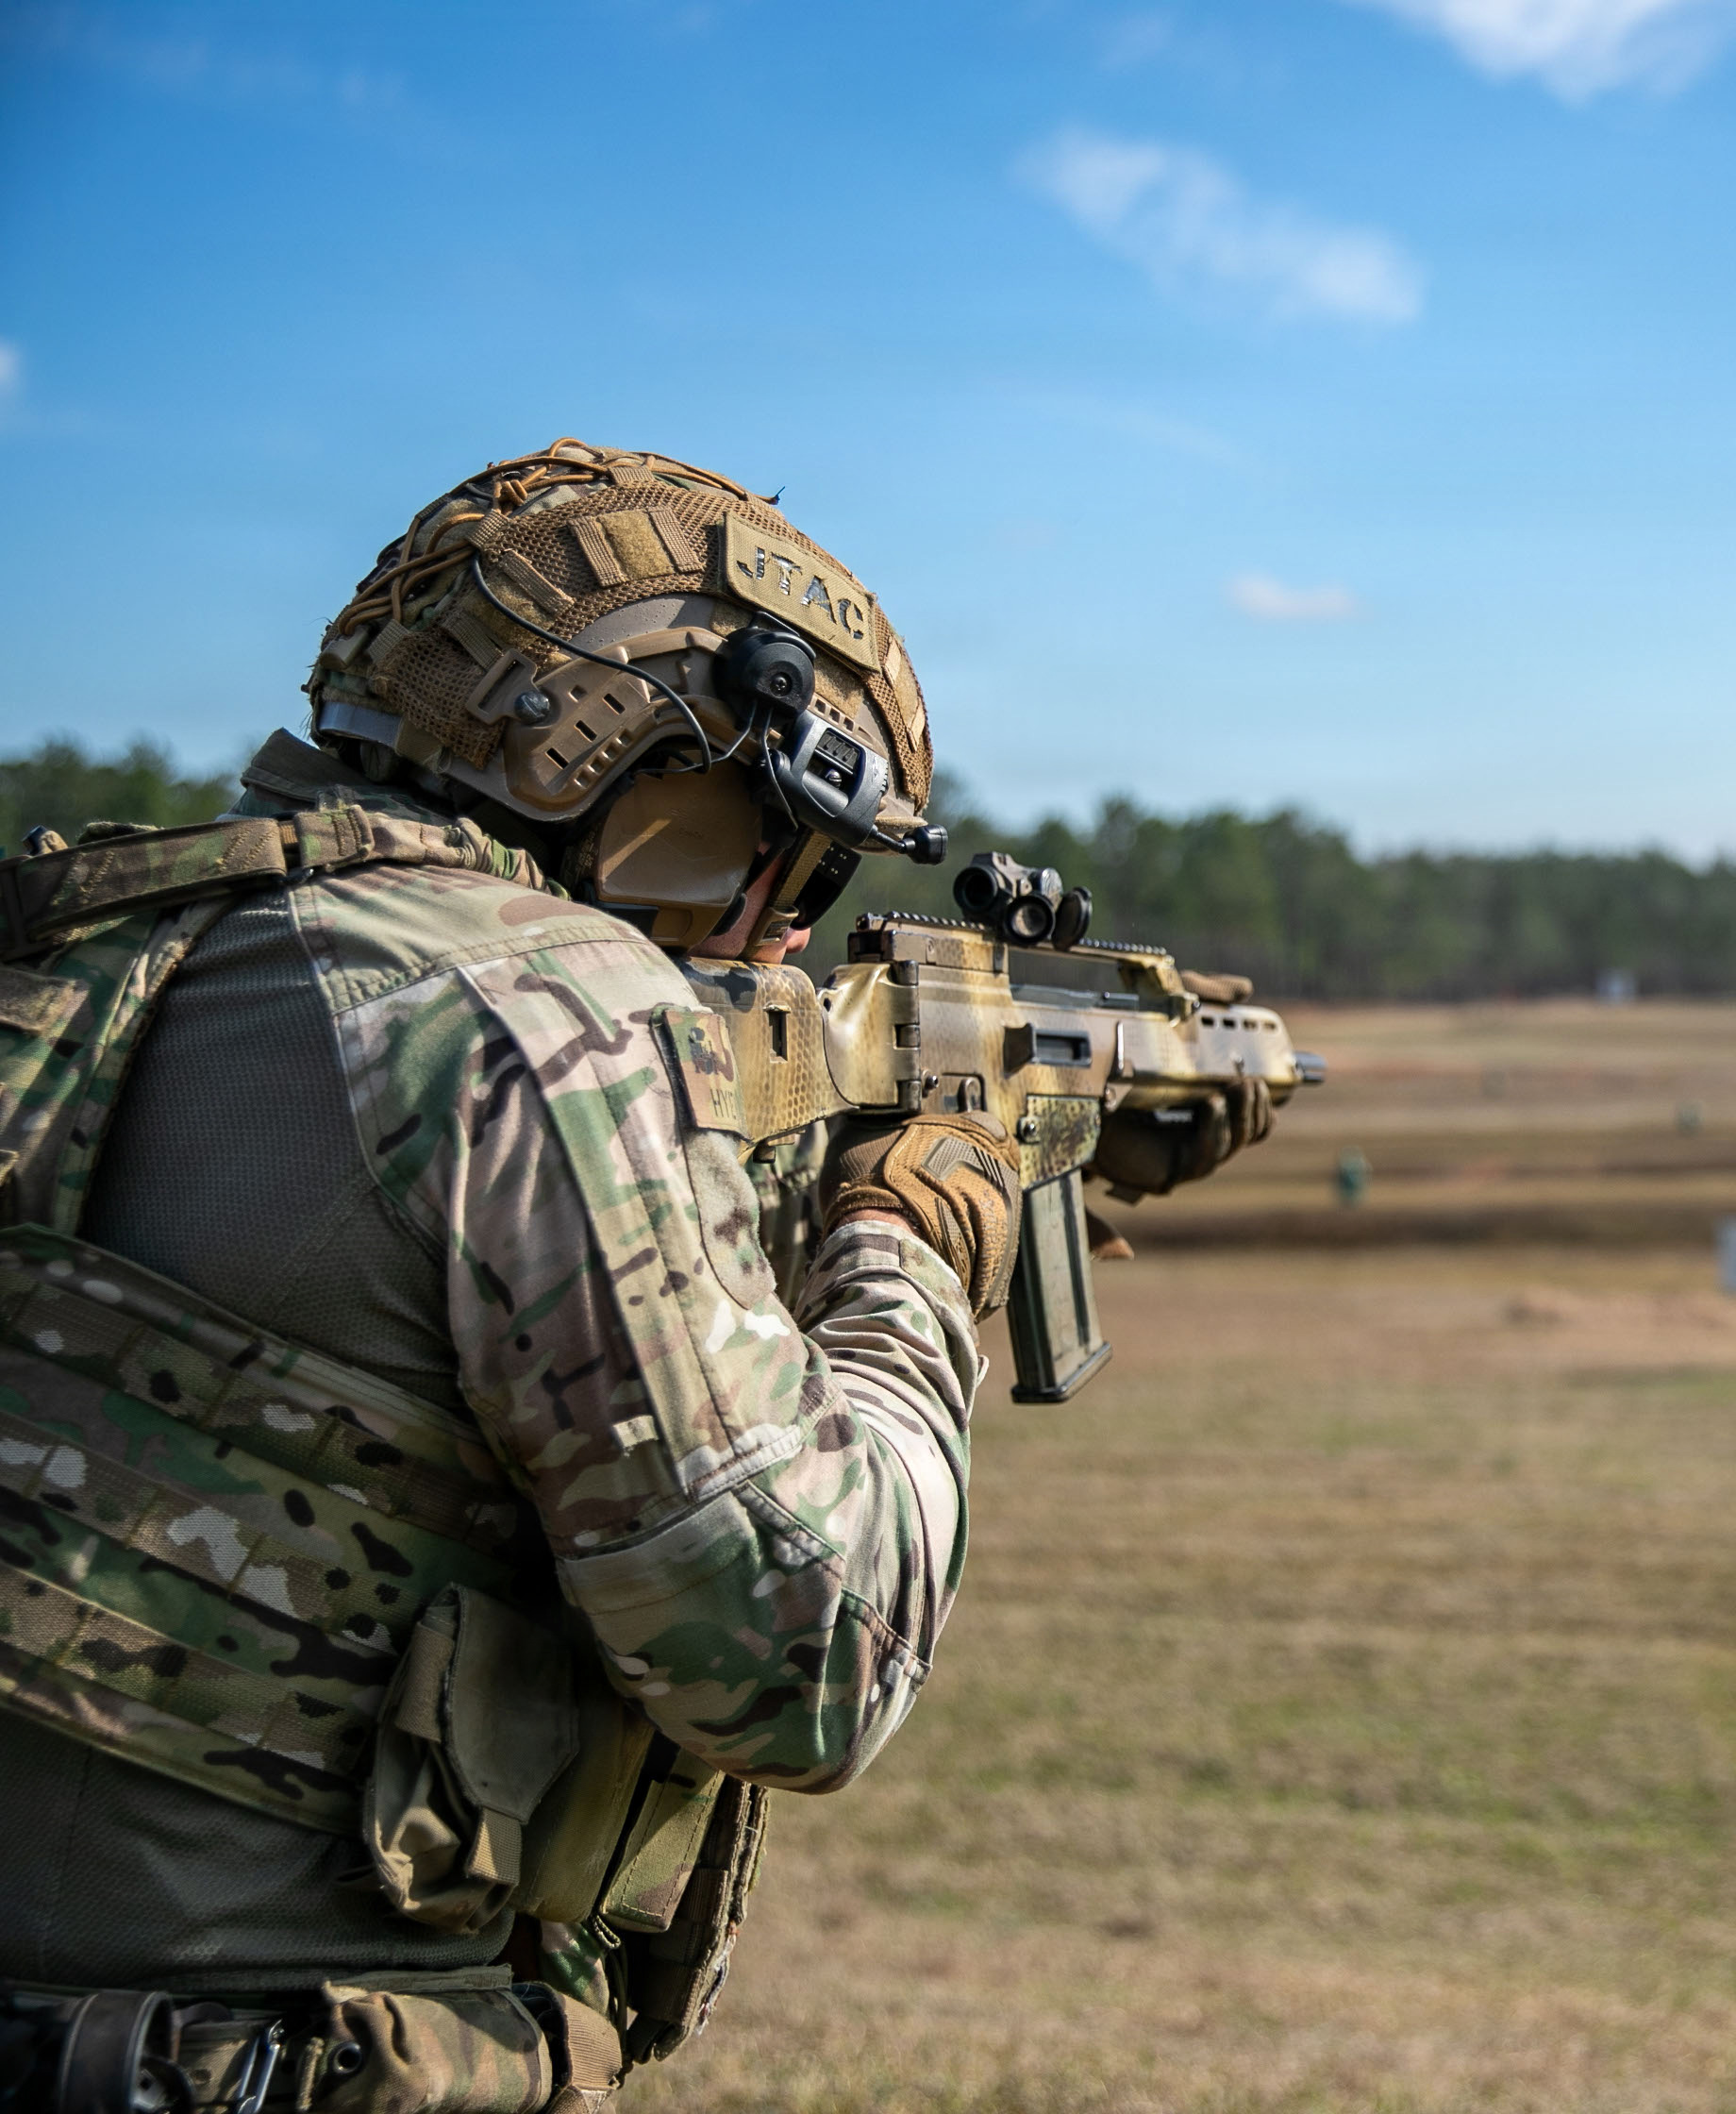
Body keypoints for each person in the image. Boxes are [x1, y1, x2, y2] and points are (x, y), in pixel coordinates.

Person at [0, 440, 1020, 2111]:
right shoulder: (543, 1012)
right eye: (782, 847)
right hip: (272, 2057)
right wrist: (908, 1249)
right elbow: (804, 1655)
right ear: (622, 762)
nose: (785, 926)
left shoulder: (82, 945)